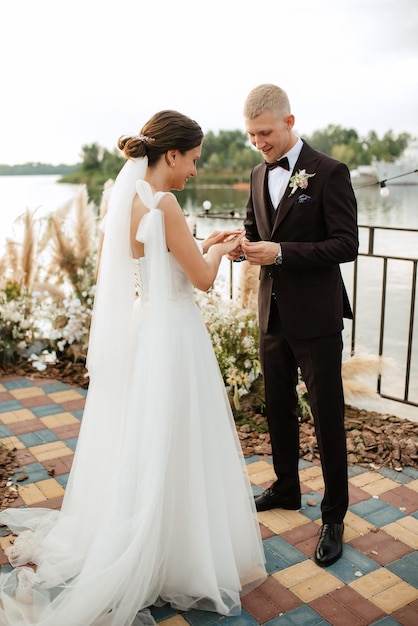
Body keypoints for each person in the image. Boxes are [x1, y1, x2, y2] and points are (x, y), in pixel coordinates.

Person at [0, 110, 266, 625]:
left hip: (147, 328)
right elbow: (203, 282)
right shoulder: (165, 203)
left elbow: (155, 262)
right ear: (171, 155)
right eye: (192, 160)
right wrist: (227, 249)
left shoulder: (127, 203)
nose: (193, 170)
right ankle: (175, 551)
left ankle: (143, 531)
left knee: (144, 437)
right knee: (179, 437)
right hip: (177, 333)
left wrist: (202, 244)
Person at [233, 84, 358, 567]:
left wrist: (282, 253)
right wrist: (239, 242)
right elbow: (254, 228)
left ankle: (334, 515)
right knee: (278, 407)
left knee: (327, 417)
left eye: (264, 132)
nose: (258, 142)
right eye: (251, 135)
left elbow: (347, 244)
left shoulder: (329, 172)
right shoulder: (254, 174)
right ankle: (286, 488)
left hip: (317, 318)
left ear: (288, 122)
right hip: (272, 315)